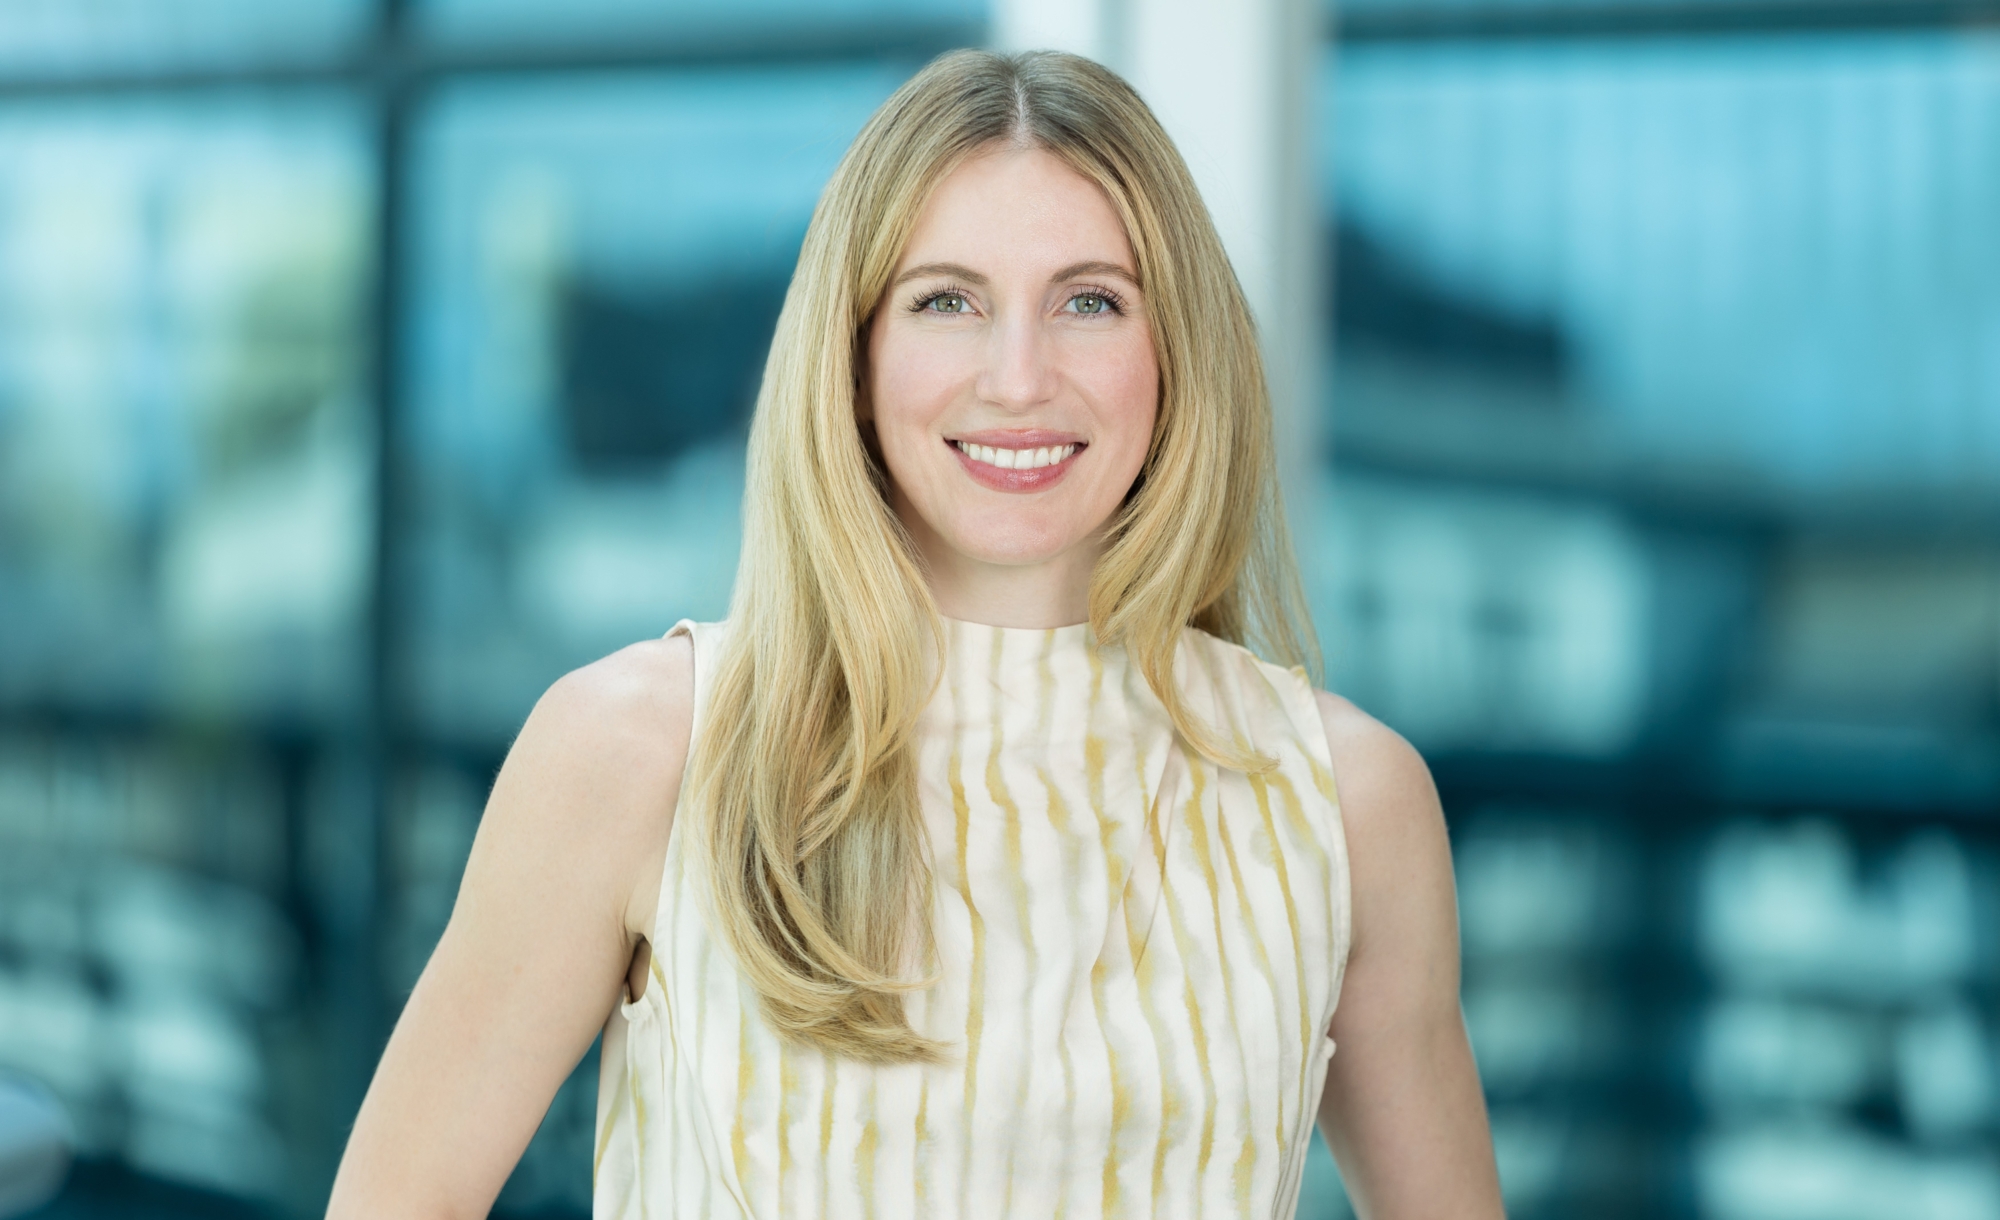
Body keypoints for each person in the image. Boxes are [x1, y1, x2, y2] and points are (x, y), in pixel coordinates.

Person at [327, 49, 1503, 1220]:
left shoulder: (1344, 802)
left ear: (1177, 350)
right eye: (947, 301)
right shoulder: (641, 751)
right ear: (855, 352)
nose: (1017, 377)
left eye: (1088, 301)